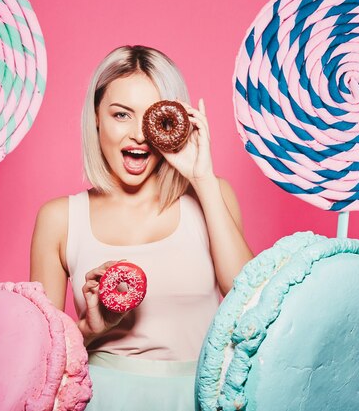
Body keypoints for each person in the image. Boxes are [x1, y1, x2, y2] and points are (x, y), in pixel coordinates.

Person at [30, 45, 253, 411]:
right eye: (121, 114)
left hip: (198, 397)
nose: (138, 135)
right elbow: (43, 362)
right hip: (103, 398)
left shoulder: (212, 195)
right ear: (97, 118)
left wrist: (202, 178)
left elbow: (248, 298)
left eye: (151, 117)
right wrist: (90, 327)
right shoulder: (59, 218)